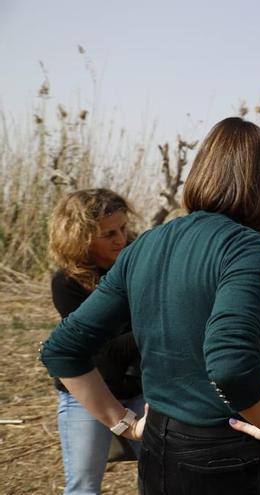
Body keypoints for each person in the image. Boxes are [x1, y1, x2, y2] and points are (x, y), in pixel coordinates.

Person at [41, 117, 260, 495]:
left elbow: (63, 349)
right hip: (230, 456)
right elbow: (230, 361)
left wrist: (126, 424)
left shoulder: (145, 245)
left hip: (159, 452)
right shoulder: (244, 246)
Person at [47, 188, 144, 495]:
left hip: (142, 387)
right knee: (84, 487)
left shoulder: (139, 261)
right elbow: (102, 352)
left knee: (162, 476)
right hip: (88, 393)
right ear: (82, 238)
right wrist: (157, 330)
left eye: (124, 229)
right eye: (109, 234)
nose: (121, 239)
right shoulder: (67, 283)